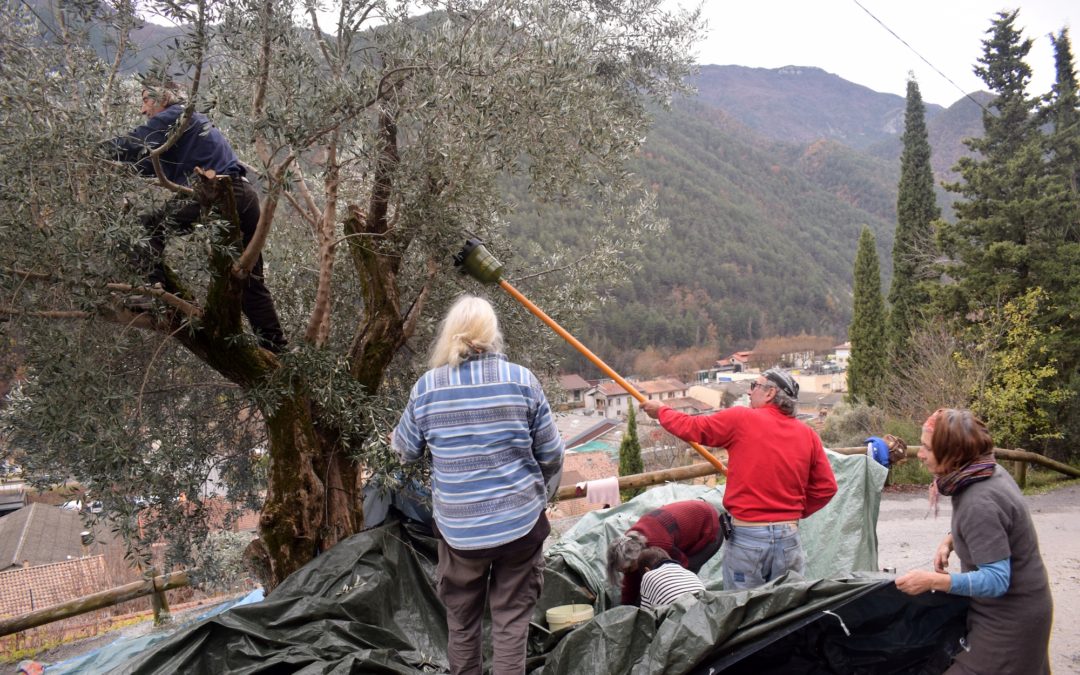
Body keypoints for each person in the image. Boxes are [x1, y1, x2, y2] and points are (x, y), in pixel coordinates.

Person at [391, 295, 564, 675]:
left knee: (462, 623)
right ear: (492, 334)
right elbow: (552, 454)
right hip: (520, 527)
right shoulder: (522, 381)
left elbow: (402, 452)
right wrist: (540, 493)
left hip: (459, 534)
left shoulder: (426, 389)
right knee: (511, 622)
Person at [104, 81, 287, 352]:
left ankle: (152, 292)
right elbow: (148, 163)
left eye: (145, 100)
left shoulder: (176, 115)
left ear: (162, 98)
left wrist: (91, 150)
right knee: (250, 282)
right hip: (244, 196)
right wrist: (117, 169)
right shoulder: (184, 128)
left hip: (219, 194)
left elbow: (134, 142)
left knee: (145, 227)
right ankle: (277, 349)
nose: (143, 110)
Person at [640, 368, 837, 591]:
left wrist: (662, 412)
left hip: (748, 538)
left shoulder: (742, 418)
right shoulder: (807, 433)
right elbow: (826, 487)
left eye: (754, 386)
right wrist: (791, 513)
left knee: (741, 612)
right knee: (786, 610)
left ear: (770, 393)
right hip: (788, 540)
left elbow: (693, 427)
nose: (750, 392)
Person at [895, 409, 1052, 674]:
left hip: (1010, 620)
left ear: (953, 454)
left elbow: (996, 580)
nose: (919, 454)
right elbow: (997, 525)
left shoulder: (979, 500)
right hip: (1007, 609)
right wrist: (950, 539)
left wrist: (933, 581)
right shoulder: (985, 470)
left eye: (926, 447)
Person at [606, 499, 723, 606]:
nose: (626, 573)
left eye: (628, 569)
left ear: (637, 557)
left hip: (710, 525)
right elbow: (631, 583)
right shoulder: (628, 544)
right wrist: (625, 609)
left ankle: (690, 608)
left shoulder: (660, 544)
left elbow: (681, 567)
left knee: (679, 578)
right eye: (622, 571)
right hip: (683, 524)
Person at [637, 546, 706, 611]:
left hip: (678, 619)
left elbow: (645, 615)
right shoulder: (689, 572)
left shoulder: (648, 575)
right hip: (706, 612)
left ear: (646, 570)